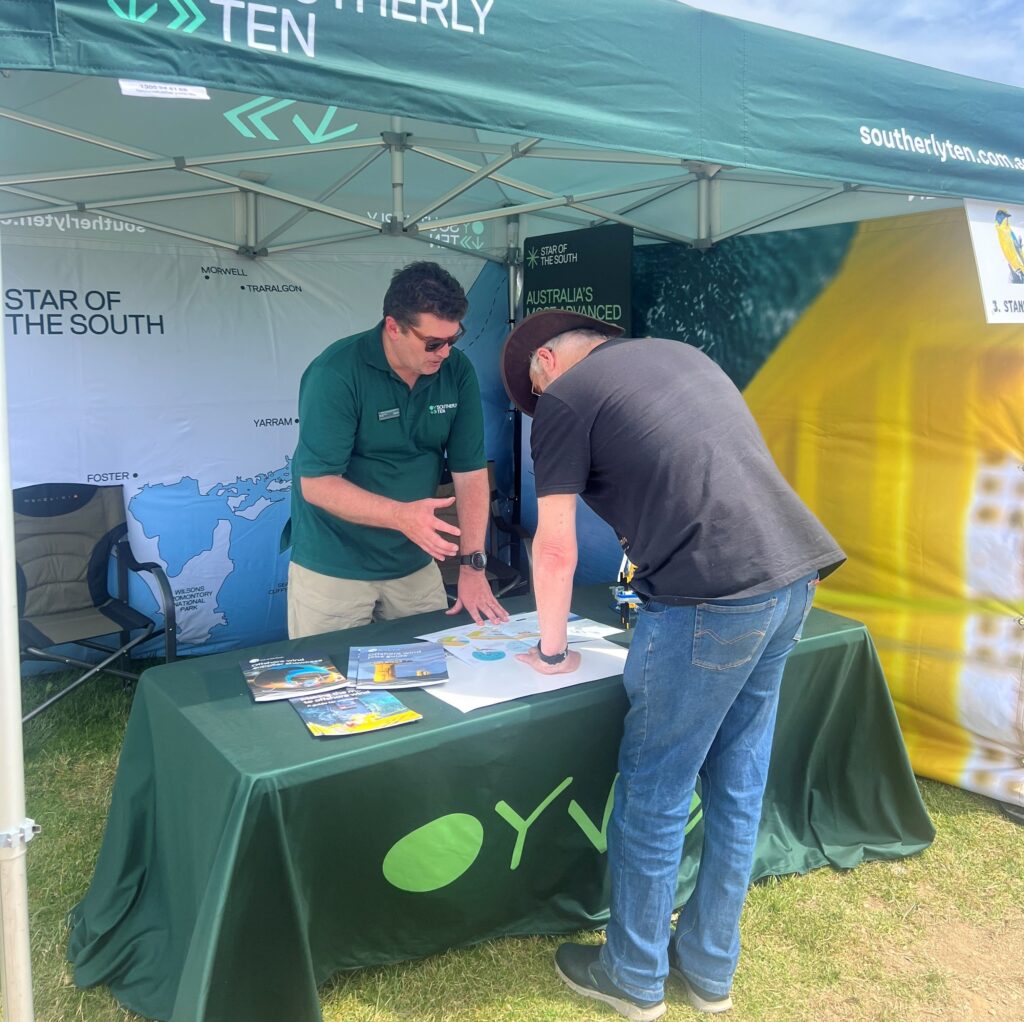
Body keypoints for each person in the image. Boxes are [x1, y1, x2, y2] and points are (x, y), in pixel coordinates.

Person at [501, 310, 846, 1020]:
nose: (538, 405)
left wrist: (552, 649)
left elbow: (555, 545)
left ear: (546, 362)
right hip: (792, 579)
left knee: (655, 793)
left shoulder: (565, 398)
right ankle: (712, 968)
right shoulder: (681, 356)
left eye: (533, 392)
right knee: (738, 784)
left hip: (709, 599)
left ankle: (632, 975)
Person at [287, 260, 508, 637]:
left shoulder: (456, 371)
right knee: (332, 671)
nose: (445, 352)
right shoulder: (336, 373)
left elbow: (470, 473)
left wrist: (473, 565)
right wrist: (401, 516)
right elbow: (317, 484)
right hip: (334, 563)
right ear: (394, 327)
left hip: (413, 562)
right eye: (433, 343)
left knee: (433, 662)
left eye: (454, 339)